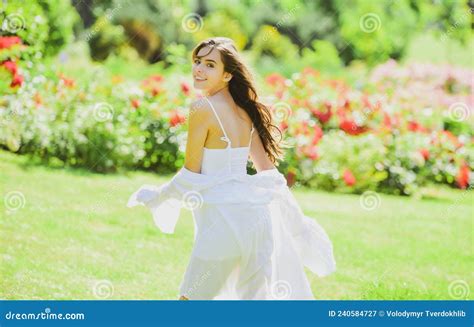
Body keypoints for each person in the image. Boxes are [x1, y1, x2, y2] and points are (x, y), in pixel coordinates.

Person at [127, 37, 336, 300]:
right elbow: (268, 172)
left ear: (227, 74)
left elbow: (191, 176)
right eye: (198, 61)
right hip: (257, 224)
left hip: (223, 224)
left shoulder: (202, 108)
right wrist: (297, 222)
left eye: (210, 65)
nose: (199, 69)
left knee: (188, 303)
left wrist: (157, 196)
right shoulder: (246, 112)